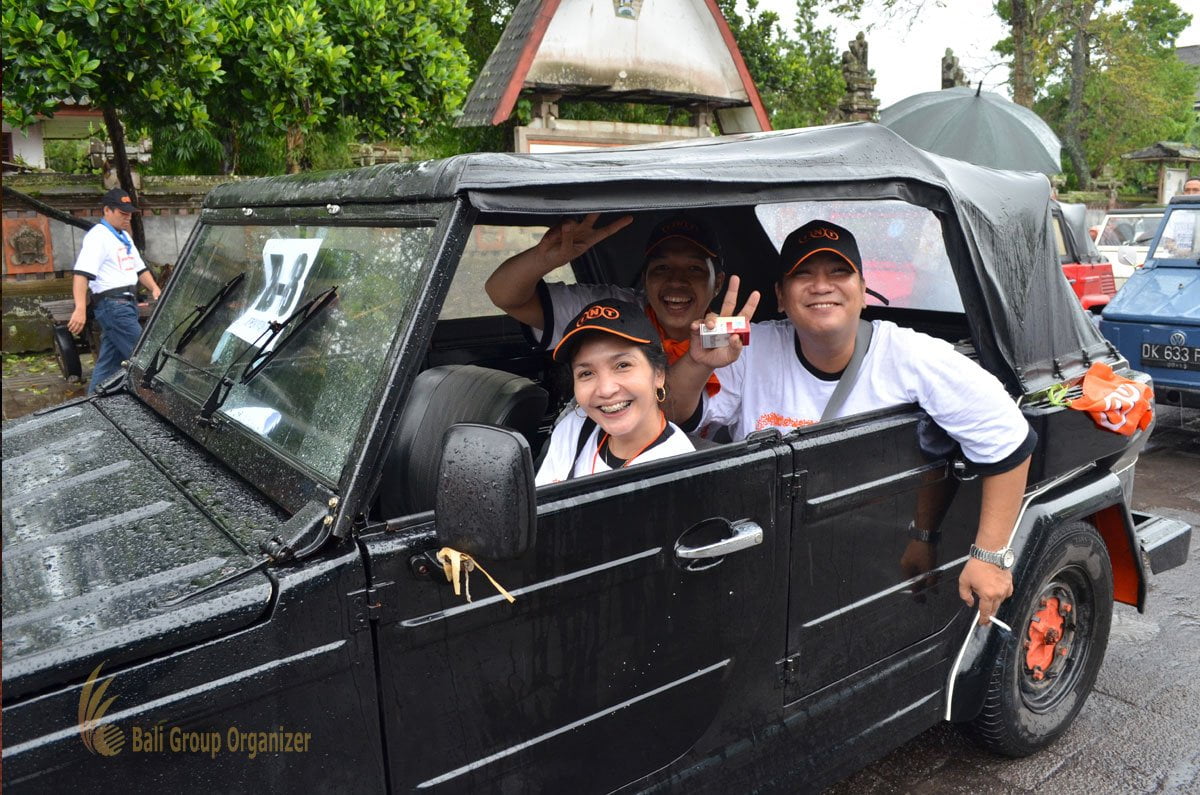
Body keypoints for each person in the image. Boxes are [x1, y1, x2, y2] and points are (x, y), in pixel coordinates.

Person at [665, 220, 1036, 625]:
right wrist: (697, 363)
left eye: (839, 272)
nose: (821, 286)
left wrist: (989, 557)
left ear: (862, 290)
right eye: (803, 274)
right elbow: (673, 418)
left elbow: (1007, 435)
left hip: (867, 552)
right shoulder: (750, 348)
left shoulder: (909, 354)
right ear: (781, 297)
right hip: (767, 552)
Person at [485, 213, 727, 397]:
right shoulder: (609, 313)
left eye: (694, 269)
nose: (676, 281)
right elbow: (505, 295)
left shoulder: (732, 344)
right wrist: (545, 259)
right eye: (662, 268)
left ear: (717, 283)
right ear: (645, 279)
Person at [536, 300, 694, 485]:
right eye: (586, 373)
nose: (606, 390)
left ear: (658, 373)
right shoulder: (572, 429)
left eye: (622, 365)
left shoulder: (681, 473)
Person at [69, 188, 161, 394]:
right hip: (113, 305)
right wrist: (80, 308)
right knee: (144, 357)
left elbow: (140, 269)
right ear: (107, 210)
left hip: (127, 304)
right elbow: (81, 274)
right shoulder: (98, 236)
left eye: (129, 213)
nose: (127, 217)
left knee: (109, 364)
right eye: (122, 213)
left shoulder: (124, 237)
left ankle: (92, 401)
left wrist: (155, 288)